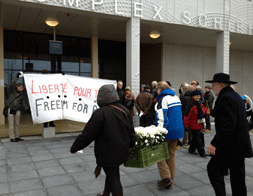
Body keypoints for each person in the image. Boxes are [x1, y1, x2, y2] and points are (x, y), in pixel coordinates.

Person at [70, 84, 135, 196]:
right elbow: (131, 131)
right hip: (122, 149)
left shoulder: (100, 113)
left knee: (114, 177)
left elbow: (87, 135)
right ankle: (105, 194)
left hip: (107, 152)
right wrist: (131, 145)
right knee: (112, 173)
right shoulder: (124, 110)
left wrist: (75, 147)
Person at [205, 73, 253, 196]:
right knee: (238, 177)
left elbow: (228, 125)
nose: (211, 88)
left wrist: (214, 144)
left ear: (221, 85)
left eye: (213, 85)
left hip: (231, 146)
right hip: (237, 145)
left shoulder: (226, 97)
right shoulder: (234, 95)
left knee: (213, 169)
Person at [155, 81, 184, 189]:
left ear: (159, 89)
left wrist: (159, 132)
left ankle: (166, 178)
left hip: (167, 131)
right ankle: (170, 180)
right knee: (171, 155)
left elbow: (162, 118)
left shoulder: (162, 99)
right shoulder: (176, 97)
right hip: (178, 131)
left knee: (159, 154)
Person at [183, 90, 209, 158]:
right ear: (193, 96)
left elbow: (203, 112)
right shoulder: (190, 104)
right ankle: (202, 153)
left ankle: (191, 150)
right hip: (193, 124)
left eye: (199, 96)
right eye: (196, 96)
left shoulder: (200, 103)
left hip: (199, 123)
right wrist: (186, 125)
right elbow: (186, 115)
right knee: (198, 138)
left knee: (195, 138)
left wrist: (206, 111)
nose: (198, 97)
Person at [7, 73, 29, 142]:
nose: (22, 88)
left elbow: (24, 102)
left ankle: (17, 136)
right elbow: (12, 85)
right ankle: (12, 137)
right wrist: (16, 78)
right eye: (21, 87)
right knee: (11, 125)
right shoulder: (12, 92)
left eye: (23, 87)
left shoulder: (22, 95)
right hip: (11, 109)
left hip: (17, 110)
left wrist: (27, 109)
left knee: (17, 124)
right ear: (17, 87)